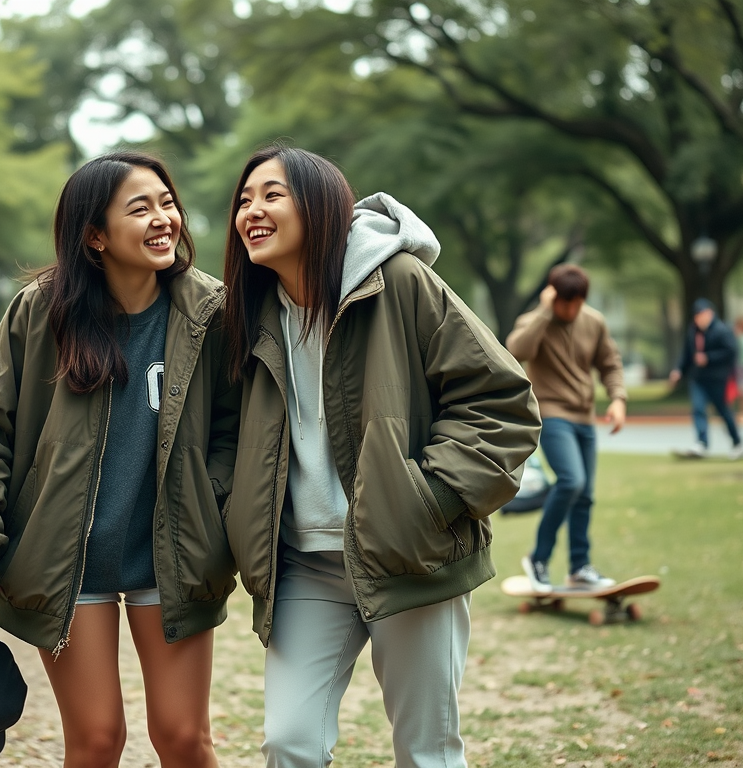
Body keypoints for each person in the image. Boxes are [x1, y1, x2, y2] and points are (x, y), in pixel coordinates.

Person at [220, 145, 540, 768]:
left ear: (319, 207)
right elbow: (229, 433)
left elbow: (500, 399)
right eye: (243, 200)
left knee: (426, 751)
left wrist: (431, 501)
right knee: (290, 742)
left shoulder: (398, 282)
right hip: (304, 567)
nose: (251, 211)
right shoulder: (248, 313)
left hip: (409, 556)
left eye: (271, 195)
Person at [0, 152, 239, 768]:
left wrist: (212, 501)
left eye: (167, 203)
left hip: (171, 559)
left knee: (183, 739)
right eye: (140, 208)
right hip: (69, 561)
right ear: (94, 235)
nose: (163, 219)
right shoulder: (42, 313)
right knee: (95, 741)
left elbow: (236, 427)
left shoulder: (210, 314)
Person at [506, 265, 627, 593]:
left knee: (585, 494)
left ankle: (579, 567)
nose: (570, 311)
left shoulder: (594, 322)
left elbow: (610, 363)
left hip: (585, 417)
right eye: (564, 303)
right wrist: (545, 311)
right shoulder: (537, 321)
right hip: (552, 413)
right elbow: (516, 350)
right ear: (553, 296)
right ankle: (538, 559)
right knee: (572, 481)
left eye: (577, 304)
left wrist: (617, 398)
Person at [669, 299, 743, 459]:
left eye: (702, 315)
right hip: (698, 378)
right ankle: (701, 443)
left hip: (717, 378)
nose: (699, 319)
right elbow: (687, 354)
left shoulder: (722, 331)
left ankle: (737, 442)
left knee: (723, 411)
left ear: (710, 314)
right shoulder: (693, 332)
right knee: (698, 409)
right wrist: (679, 370)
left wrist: (709, 358)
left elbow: (730, 352)